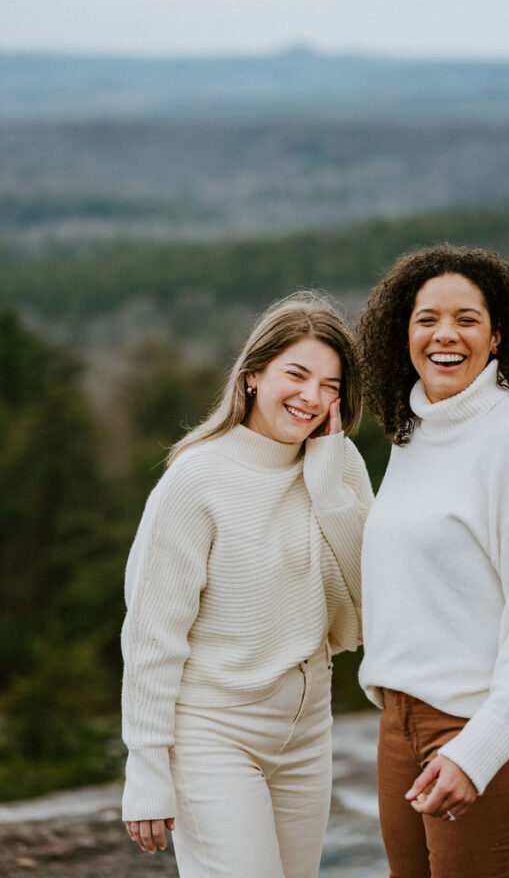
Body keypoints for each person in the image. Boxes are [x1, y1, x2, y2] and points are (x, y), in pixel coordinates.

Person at [357, 245, 509, 878]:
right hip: (404, 723)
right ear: (401, 334)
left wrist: (477, 751)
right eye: (426, 318)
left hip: (496, 732)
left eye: (466, 319)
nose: (444, 334)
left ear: (495, 339)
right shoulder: (416, 436)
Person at [121, 292, 373, 878]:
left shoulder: (341, 464)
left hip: (308, 734)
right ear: (253, 374)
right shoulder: (197, 478)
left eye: (331, 386)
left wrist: (331, 490)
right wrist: (147, 768)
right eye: (298, 374)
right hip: (214, 735)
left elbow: (372, 596)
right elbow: (153, 636)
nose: (313, 397)